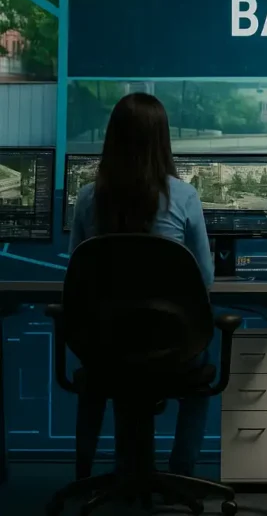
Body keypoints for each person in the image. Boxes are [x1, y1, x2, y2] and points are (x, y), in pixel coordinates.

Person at [69, 92, 214, 482]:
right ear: (162, 140)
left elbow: (75, 277)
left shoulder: (86, 199)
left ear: (111, 137)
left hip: (104, 347)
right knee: (202, 371)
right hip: (173, 348)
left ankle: (87, 476)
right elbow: (205, 279)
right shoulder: (184, 197)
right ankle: (182, 473)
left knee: (107, 368)